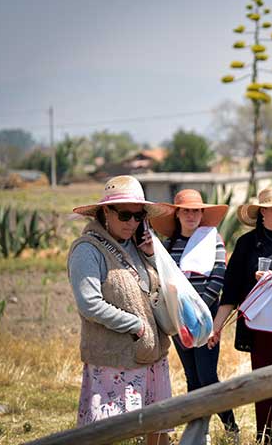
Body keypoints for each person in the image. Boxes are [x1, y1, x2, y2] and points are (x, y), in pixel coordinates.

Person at [68, 175, 174, 445]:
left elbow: (154, 288)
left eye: (139, 217)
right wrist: (135, 325)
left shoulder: (138, 246)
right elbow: (89, 303)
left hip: (149, 355)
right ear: (106, 212)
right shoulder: (87, 250)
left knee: (157, 426)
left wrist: (151, 255)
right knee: (112, 433)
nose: (132, 223)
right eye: (125, 215)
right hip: (113, 359)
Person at [209, 186, 272, 445]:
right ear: (261, 211)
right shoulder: (246, 244)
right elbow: (230, 291)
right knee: (265, 385)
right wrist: (216, 327)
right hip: (260, 328)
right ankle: (270, 440)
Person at [149, 189, 239, 440]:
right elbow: (164, 281)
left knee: (208, 376)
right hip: (179, 320)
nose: (191, 215)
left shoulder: (214, 239)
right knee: (192, 377)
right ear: (177, 214)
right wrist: (180, 315)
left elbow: (218, 276)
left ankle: (231, 427)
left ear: (202, 213)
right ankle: (201, 432)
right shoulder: (168, 247)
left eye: (196, 210)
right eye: (186, 211)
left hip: (205, 318)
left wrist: (198, 311)